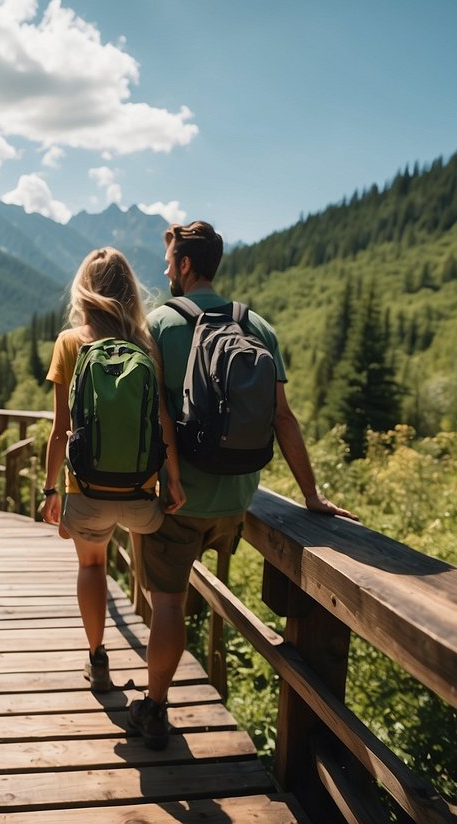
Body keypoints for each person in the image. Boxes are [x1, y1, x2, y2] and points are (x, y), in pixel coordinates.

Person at [127, 221, 357, 750]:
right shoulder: (258, 327)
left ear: (185, 265)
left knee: (166, 603)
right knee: (198, 588)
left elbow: (155, 408)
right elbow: (282, 417)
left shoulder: (159, 323)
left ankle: (156, 707)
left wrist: (174, 475)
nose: (165, 270)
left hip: (178, 501)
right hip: (235, 500)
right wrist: (311, 496)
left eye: (169, 262)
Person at [40, 247, 186, 693]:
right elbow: (162, 418)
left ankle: (97, 658)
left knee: (92, 566)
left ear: (84, 288)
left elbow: (60, 430)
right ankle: (156, 688)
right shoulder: (145, 343)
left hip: (86, 491)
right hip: (142, 496)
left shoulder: (71, 342)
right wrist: (173, 479)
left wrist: (50, 491)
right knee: (161, 588)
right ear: (128, 290)